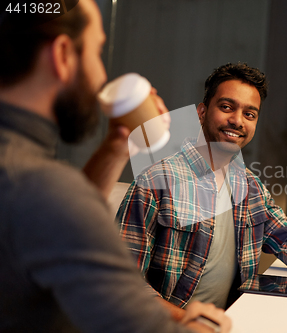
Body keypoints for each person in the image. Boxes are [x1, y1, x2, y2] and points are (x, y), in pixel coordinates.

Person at [0, 0, 230, 332]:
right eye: (96, 51)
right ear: (63, 54)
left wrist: (120, 145)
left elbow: (56, 227)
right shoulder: (41, 189)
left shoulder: (30, 184)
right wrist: (207, 325)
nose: (101, 76)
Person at [116, 62, 287, 318]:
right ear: (201, 112)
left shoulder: (250, 187)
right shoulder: (156, 181)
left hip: (232, 320)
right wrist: (187, 323)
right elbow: (121, 285)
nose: (237, 121)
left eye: (249, 114)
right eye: (227, 107)